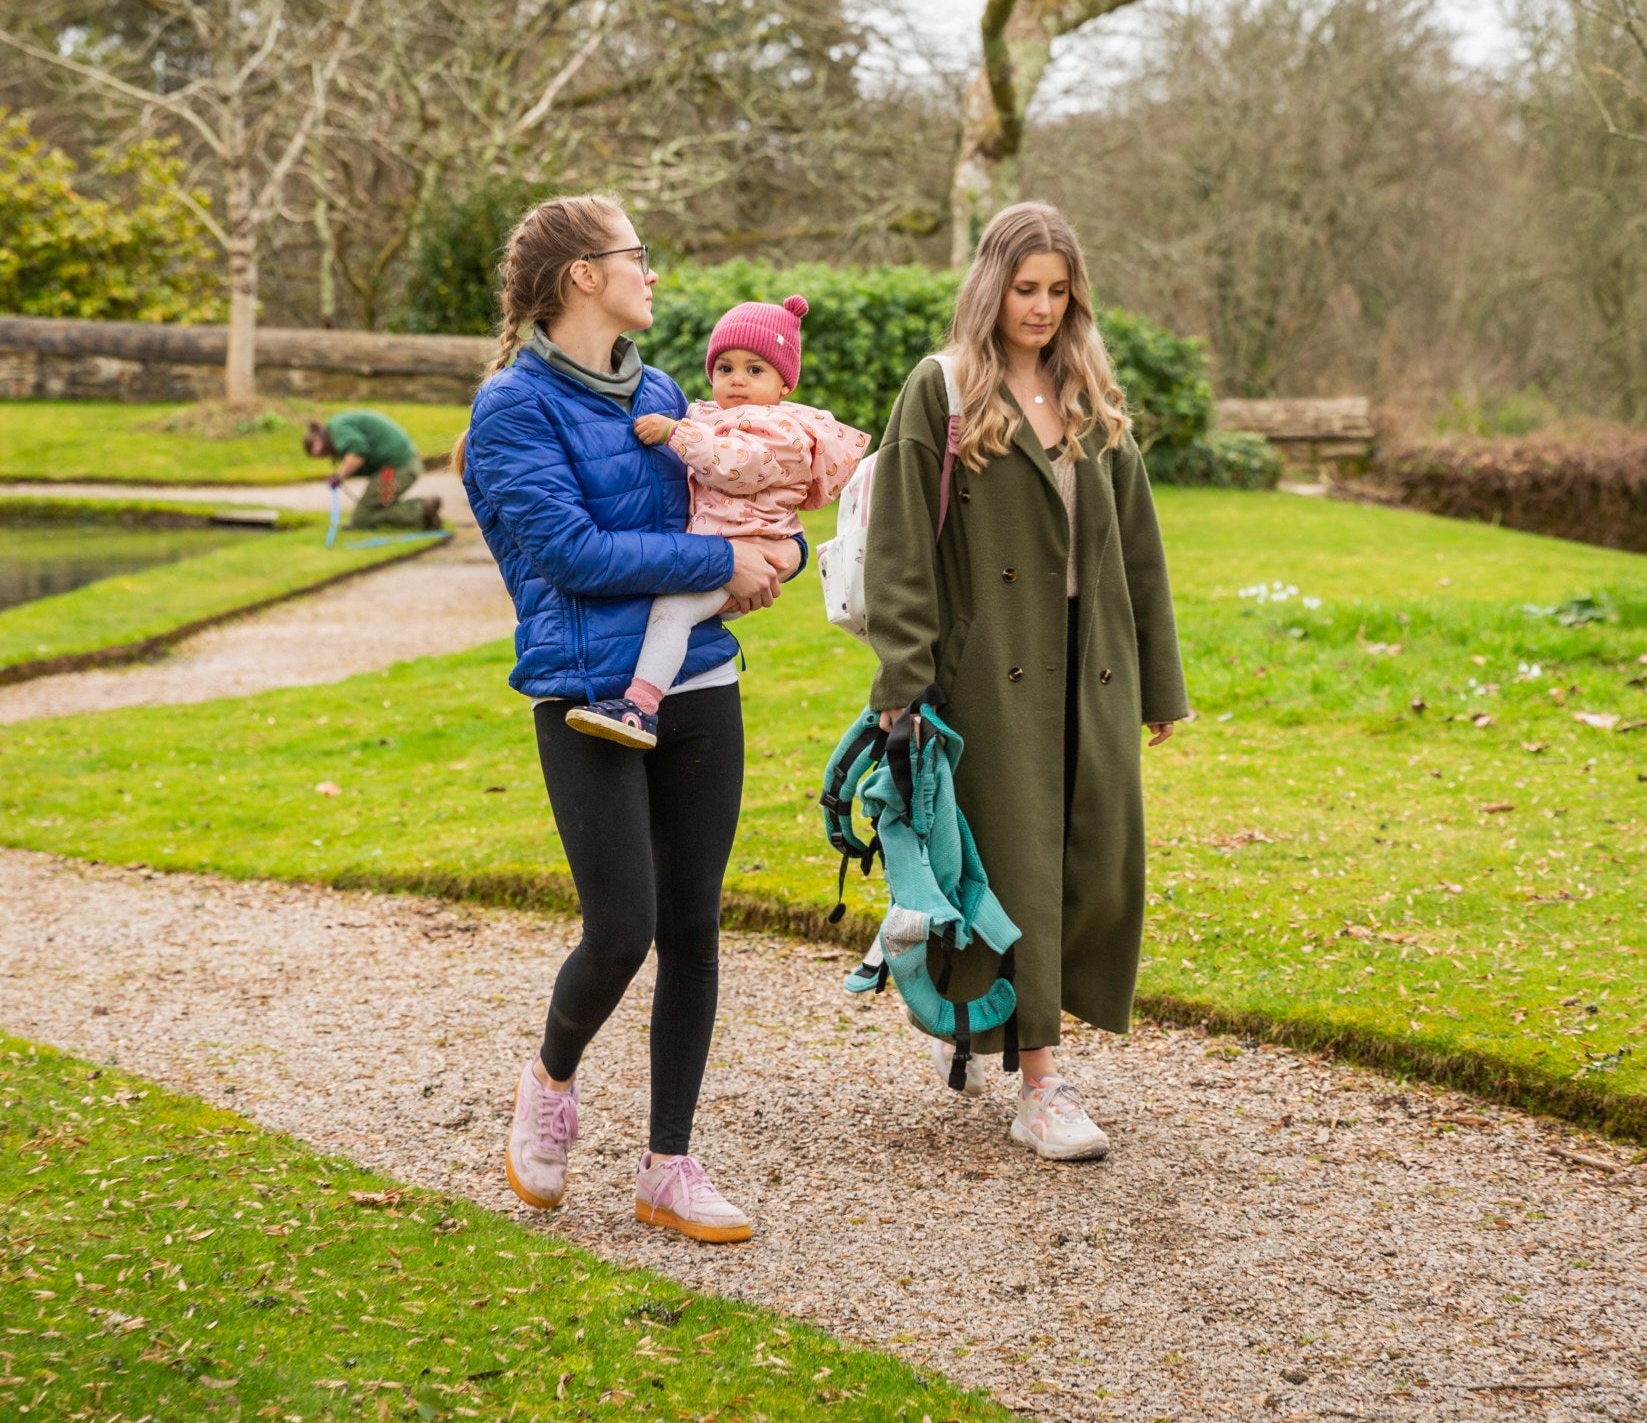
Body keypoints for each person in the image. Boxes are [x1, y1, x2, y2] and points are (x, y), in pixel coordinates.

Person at [456, 193, 785, 1244]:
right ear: (583, 275)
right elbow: (570, 555)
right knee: (621, 928)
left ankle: (668, 1166)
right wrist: (716, 562)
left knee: (692, 929)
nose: (653, 270)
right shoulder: (511, 409)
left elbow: (716, 510)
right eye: (636, 254)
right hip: (586, 693)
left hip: (701, 684)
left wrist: (775, 549)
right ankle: (549, 1082)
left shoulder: (660, 388)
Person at [860, 200, 1188, 1162]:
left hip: (1093, 660)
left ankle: (976, 1010)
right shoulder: (944, 390)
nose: (1039, 308)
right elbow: (899, 551)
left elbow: (1138, 551)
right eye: (1023, 288)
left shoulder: (1092, 393)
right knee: (1016, 868)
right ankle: (1041, 1086)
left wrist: (1157, 685)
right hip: (991, 669)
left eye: (1057, 290)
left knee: (1095, 864)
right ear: (989, 285)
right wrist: (904, 680)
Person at [564, 294, 869, 750]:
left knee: (673, 611)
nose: (737, 380)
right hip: (722, 550)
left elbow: (740, 467)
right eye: (725, 368)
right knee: (671, 611)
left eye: (755, 370)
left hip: (749, 546)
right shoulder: (713, 416)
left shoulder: (783, 431)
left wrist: (675, 434)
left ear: (784, 384)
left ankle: (639, 708)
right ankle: (641, 704)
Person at [305, 408, 437, 531]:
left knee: (362, 518)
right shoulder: (337, 427)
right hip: (401, 465)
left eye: (322, 453)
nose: (326, 455)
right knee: (380, 504)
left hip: (396, 469)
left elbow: (357, 453)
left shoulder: (337, 429)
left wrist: (339, 477)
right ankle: (424, 507)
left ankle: (421, 510)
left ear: (317, 440)